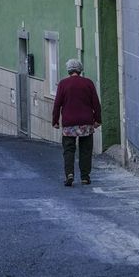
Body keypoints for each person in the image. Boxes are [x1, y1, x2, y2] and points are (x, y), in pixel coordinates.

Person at [52, 59, 101, 187]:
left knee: (68, 150)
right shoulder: (88, 83)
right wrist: (98, 120)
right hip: (86, 122)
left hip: (69, 123)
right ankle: (85, 177)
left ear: (69, 70)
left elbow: (57, 104)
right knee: (85, 150)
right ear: (80, 70)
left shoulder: (63, 84)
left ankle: (69, 174)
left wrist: (55, 121)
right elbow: (96, 103)